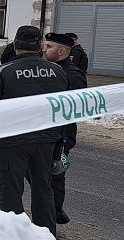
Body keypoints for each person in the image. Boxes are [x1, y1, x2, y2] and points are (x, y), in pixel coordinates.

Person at [0, 25, 68, 237]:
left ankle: (14, 234)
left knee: (11, 192)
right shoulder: (58, 72)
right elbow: (65, 108)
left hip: (12, 143)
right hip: (46, 142)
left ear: (15, 46)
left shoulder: (4, 72)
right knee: (43, 189)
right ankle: (46, 234)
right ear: (40, 46)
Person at [42, 32, 87, 225]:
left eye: (49, 46)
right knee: (42, 175)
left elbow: (74, 107)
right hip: (45, 132)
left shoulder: (73, 74)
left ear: (61, 51)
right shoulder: (47, 69)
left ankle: (54, 211)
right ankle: (50, 209)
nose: (44, 49)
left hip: (61, 136)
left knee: (56, 174)